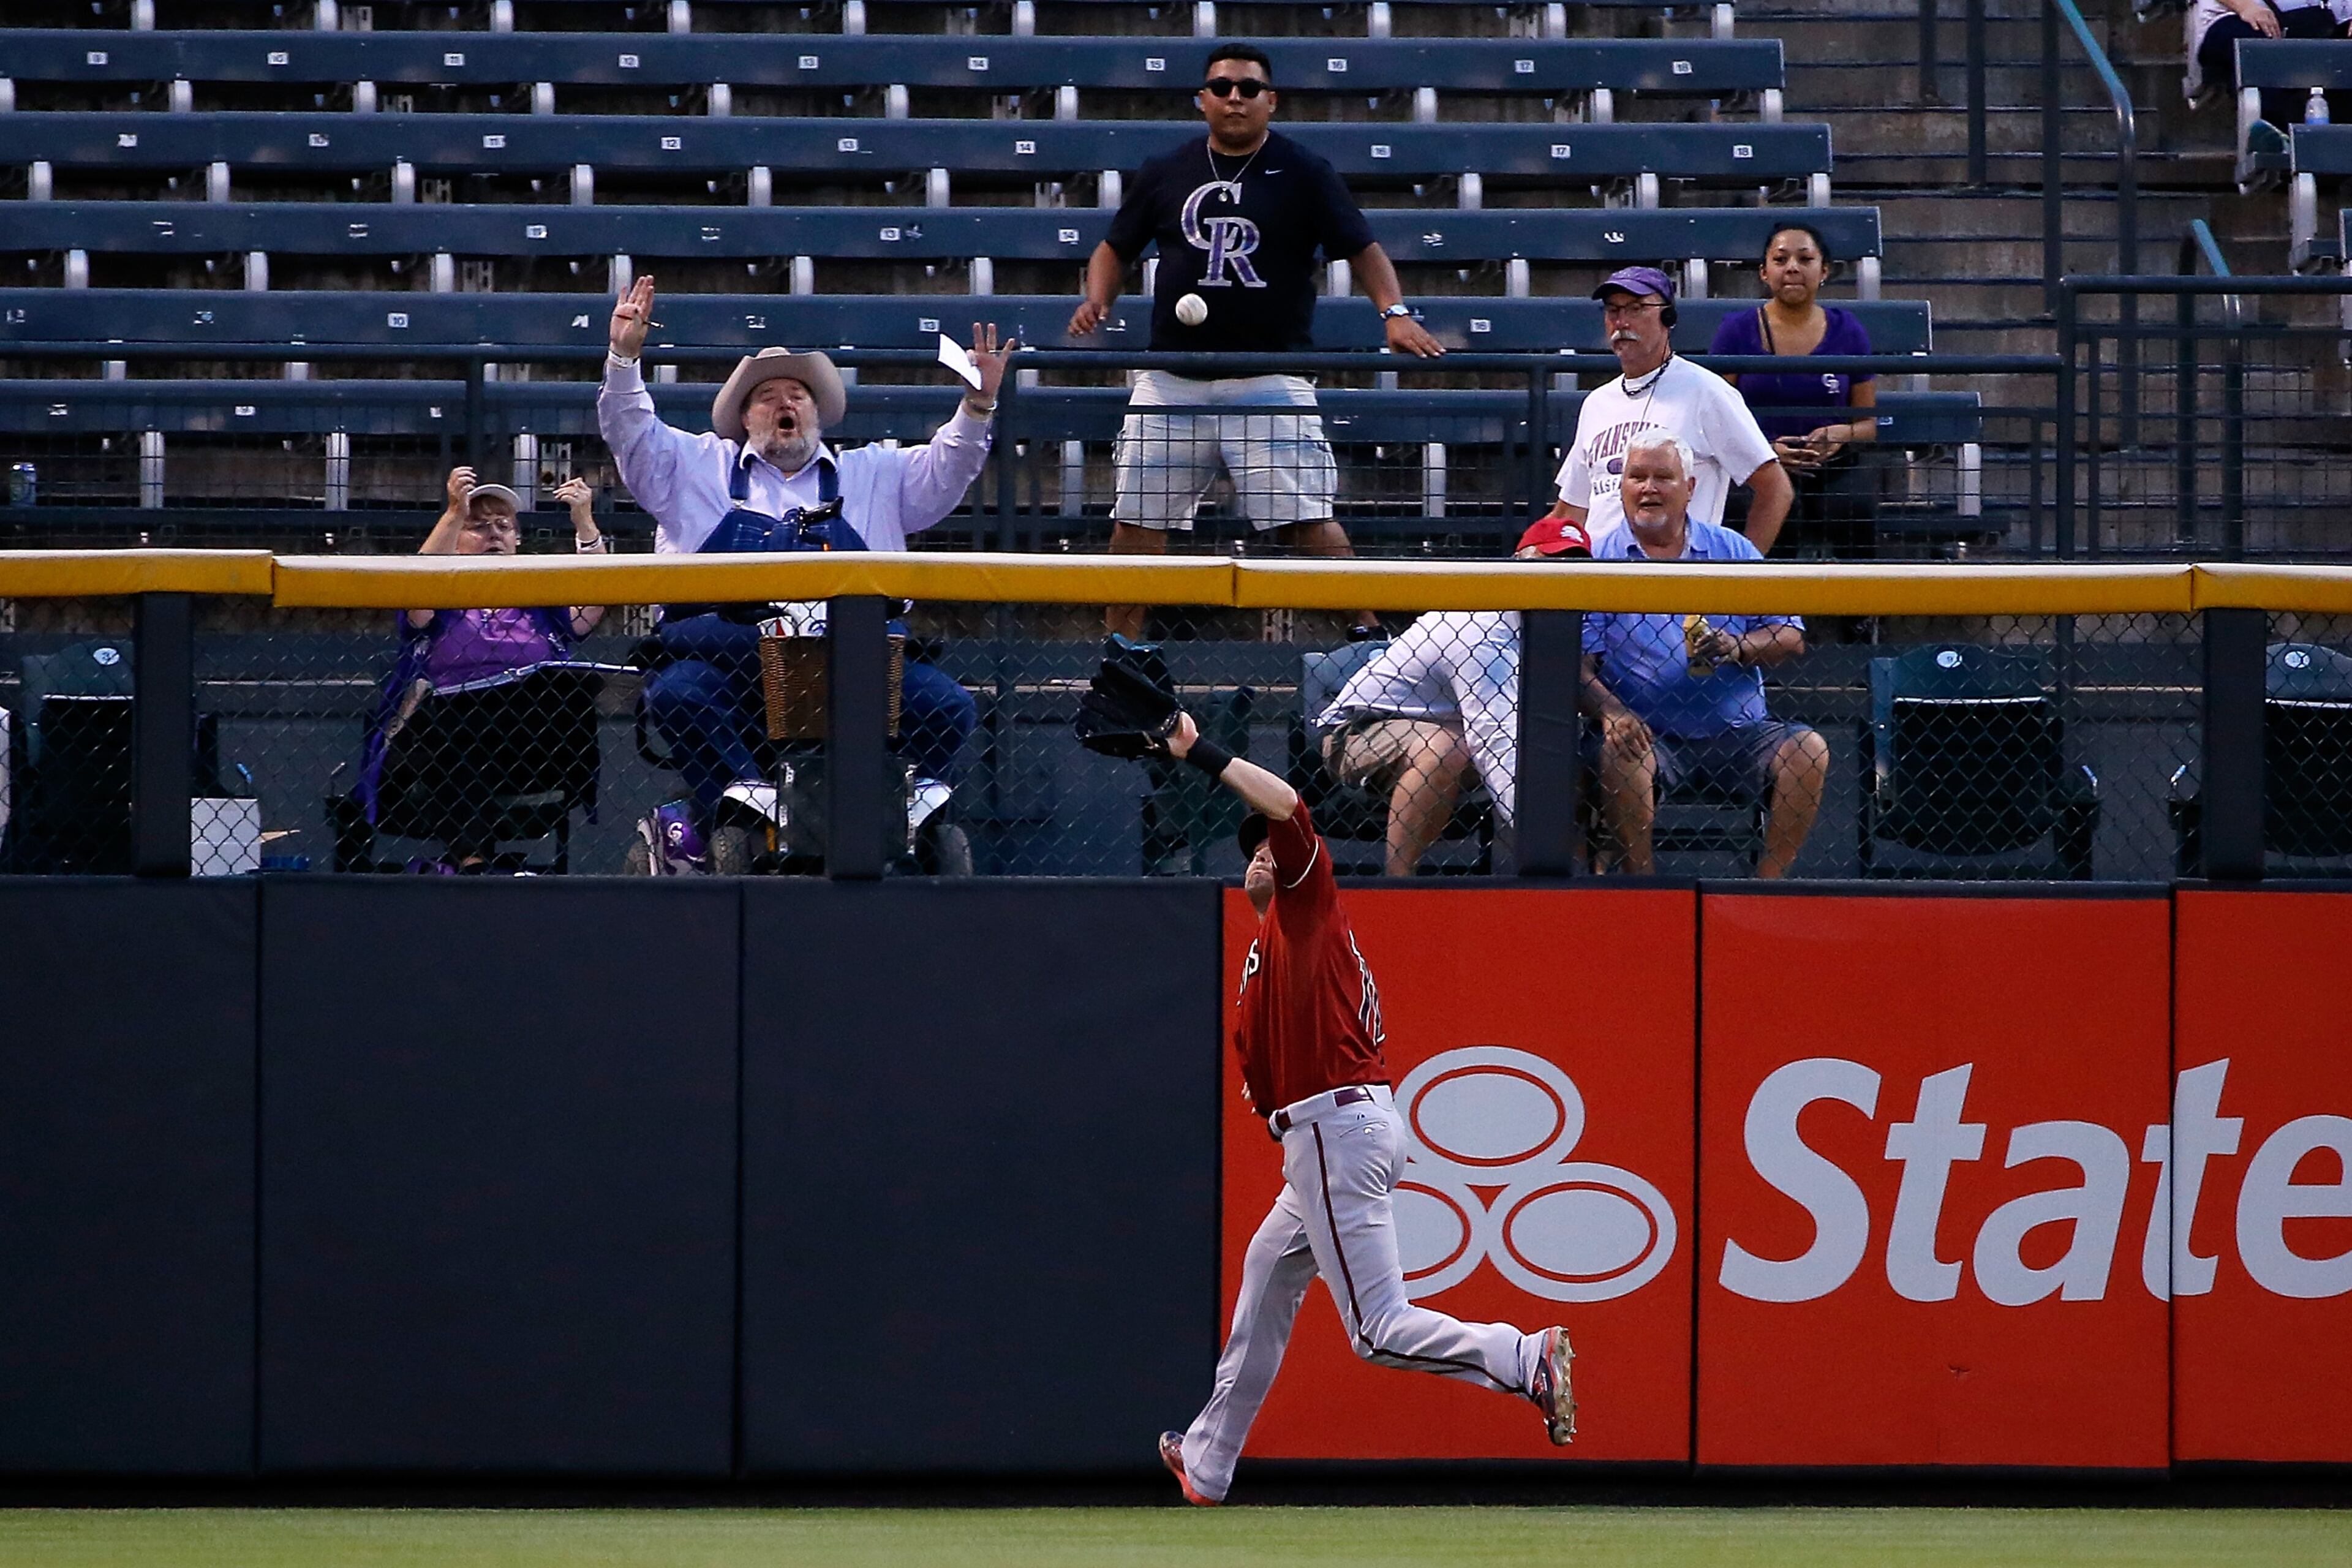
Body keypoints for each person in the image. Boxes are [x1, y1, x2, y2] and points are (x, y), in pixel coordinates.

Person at [1154, 709, 1576, 1507]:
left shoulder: (1305, 900)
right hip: (1335, 1130)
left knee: (1378, 1328)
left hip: (1335, 1129)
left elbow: (1284, 809)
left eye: (1262, 849)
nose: (1255, 856)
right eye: (1246, 850)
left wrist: (1194, 750)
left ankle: (1523, 1357)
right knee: (1267, 1272)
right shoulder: (1271, 950)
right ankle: (1208, 1460)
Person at [596, 274, 1013, 870]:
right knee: (678, 694)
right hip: (729, 668)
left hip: (851, 669)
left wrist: (977, 406)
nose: (785, 403)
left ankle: (904, 811)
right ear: (744, 416)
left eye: (798, 394)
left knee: (947, 706)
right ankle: (746, 807)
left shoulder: (874, 474)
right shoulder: (694, 467)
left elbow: (948, 468)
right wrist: (624, 358)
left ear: (818, 412)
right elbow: (630, 433)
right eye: (768, 396)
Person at [1069, 42, 1445, 642]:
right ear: (1202, 100)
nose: (1234, 97)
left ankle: (1372, 640)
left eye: (1248, 88)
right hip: (1171, 379)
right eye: (1221, 88)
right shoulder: (1167, 170)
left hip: (1269, 374)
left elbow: (1362, 248)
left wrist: (1394, 312)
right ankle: (1120, 656)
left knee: (1305, 521)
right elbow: (1115, 247)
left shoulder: (1305, 171)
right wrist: (1099, 297)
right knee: (1136, 524)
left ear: (1272, 100)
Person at [1581, 433, 1828, 880]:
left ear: (1690, 489)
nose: (1648, 488)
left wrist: (1739, 648)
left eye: (1663, 477)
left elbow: (1791, 636)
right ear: (1622, 487)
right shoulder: (1599, 556)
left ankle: (1766, 887)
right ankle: (1646, 888)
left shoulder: (1731, 550)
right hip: (1649, 736)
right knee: (1618, 750)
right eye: (1637, 477)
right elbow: (1577, 666)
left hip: (1739, 733)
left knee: (1808, 749)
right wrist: (1612, 713)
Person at [356, 467, 612, 870]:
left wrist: (584, 524)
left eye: (504, 526)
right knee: (455, 733)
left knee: (567, 693)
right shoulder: (439, 594)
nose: (495, 534)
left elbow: (590, 611)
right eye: (478, 526)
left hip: (530, 740)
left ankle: (475, 863)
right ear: (455, 541)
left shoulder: (537, 589)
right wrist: (454, 510)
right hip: (447, 736)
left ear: (517, 538)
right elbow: (417, 590)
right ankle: (474, 864)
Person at [1311, 515, 1592, 876]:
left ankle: (1589, 884)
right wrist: (1542, 837)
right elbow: (1495, 737)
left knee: (1555, 751)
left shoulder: (1546, 624)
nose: (1561, 575)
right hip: (1357, 730)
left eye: (1573, 566)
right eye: (1552, 562)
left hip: (1447, 729)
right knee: (1446, 748)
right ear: (1521, 561)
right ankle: (1398, 887)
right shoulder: (1482, 628)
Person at [1545, 265, 1792, 553]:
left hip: (1680, 575)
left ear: (1668, 317)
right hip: (1602, 577)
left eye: (1636, 309)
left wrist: (1742, 570)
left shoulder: (1707, 392)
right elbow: (1572, 511)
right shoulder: (1597, 403)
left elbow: (1776, 489)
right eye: (1613, 311)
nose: (1622, 322)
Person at [1708, 223, 1880, 558]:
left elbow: (1868, 426)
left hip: (1832, 468)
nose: (1792, 268)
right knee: (1772, 506)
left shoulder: (1849, 331)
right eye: (1781, 259)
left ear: (1824, 270)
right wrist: (1766, 451)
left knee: (1855, 507)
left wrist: (1841, 433)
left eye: (1805, 259)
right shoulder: (1736, 330)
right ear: (1764, 272)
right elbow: (1715, 419)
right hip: (1757, 465)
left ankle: (1854, 609)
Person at [2188, 1, 2348, 151]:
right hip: (2237, 16)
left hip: (2317, 20)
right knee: (2255, 45)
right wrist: (2245, 6)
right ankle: (2274, 136)